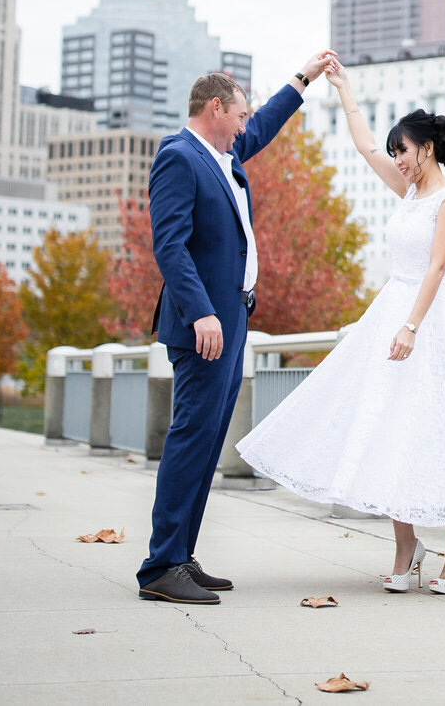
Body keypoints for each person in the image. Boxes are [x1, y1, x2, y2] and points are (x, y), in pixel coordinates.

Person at [237, 58, 445, 595]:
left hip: (430, 321)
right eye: (395, 152)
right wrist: (344, 90)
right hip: (391, 311)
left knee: (442, 428)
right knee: (390, 424)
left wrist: (411, 327)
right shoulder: (406, 191)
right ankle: (406, 544)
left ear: (426, 147)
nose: (397, 160)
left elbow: (438, 268)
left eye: (403, 150)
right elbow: (364, 147)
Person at [137, 57, 334, 605]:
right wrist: (201, 312)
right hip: (205, 324)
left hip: (232, 318)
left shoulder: (225, 155)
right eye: (239, 115)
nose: (246, 125)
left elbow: (266, 123)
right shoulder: (180, 157)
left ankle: (179, 556)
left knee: (206, 444)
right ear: (215, 108)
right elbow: (169, 245)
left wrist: (302, 81)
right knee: (191, 440)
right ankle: (159, 565)